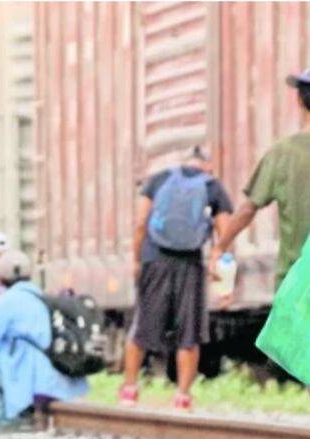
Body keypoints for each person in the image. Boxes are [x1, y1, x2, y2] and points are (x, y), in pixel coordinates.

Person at [118, 147, 233, 410]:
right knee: (188, 332)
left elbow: (140, 222)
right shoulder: (213, 187)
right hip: (189, 263)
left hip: (153, 259)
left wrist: (136, 258)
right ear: (208, 166)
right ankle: (182, 395)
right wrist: (223, 281)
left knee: (142, 324)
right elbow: (225, 237)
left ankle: (129, 389)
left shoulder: (159, 179)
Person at [210, 67, 310, 299]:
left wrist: (220, 246)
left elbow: (247, 210)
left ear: (299, 100)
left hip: (296, 285)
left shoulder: (282, 154)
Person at [0, 250, 88, 428]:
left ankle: (6, 420)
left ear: (0, 277)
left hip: (33, 380)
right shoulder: (42, 296)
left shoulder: (7, 301)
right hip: (60, 378)